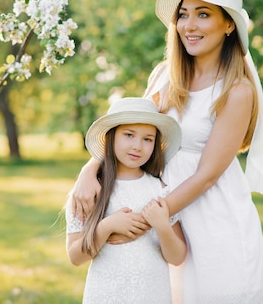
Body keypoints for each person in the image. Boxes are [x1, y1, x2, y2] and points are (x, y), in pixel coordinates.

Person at [72, 0, 263, 303]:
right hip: (166, 214)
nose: (189, 25)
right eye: (183, 14)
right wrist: (89, 169)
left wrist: (146, 217)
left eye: (203, 14)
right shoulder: (165, 75)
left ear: (228, 25)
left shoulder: (237, 90)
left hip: (211, 214)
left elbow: (207, 175)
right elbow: (129, 130)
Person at [65, 97, 187, 304]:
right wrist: (107, 226)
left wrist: (161, 225)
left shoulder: (161, 190)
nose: (137, 146)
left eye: (148, 139)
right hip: (106, 294)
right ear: (111, 137)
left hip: (152, 294)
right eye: (129, 135)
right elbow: (76, 257)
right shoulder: (90, 191)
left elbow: (177, 257)